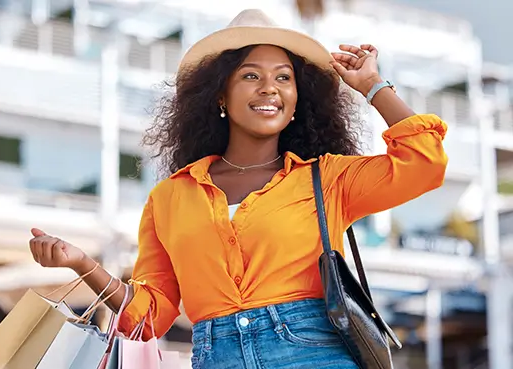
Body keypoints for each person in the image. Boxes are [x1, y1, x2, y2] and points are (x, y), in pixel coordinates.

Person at [28, 8, 448, 369]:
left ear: (298, 99)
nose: (270, 88)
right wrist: (82, 262)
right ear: (220, 96)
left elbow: (425, 163)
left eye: (284, 78)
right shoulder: (171, 198)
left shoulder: (328, 178)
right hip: (215, 354)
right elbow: (149, 317)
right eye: (251, 75)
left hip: (315, 351)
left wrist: (374, 87)